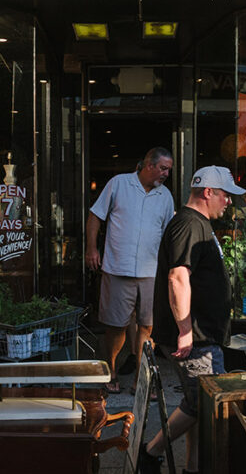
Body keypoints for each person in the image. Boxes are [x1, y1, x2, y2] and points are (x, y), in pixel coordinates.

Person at [139, 166, 244, 474]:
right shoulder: (188, 224)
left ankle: (192, 467)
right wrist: (185, 329)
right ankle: (151, 451)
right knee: (203, 402)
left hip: (203, 334)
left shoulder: (198, 224)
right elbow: (178, 277)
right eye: (225, 195)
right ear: (207, 192)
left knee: (197, 404)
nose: (228, 202)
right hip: (195, 337)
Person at [86, 147, 175, 394]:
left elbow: (168, 235)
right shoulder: (119, 184)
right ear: (148, 164)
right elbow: (95, 216)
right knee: (115, 326)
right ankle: (111, 371)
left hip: (151, 272)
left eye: (169, 169)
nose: (166, 173)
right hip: (118, 268)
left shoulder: (165, 196)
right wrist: (92, 249)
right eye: (163, 168)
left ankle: (141, 379)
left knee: (148, 327)